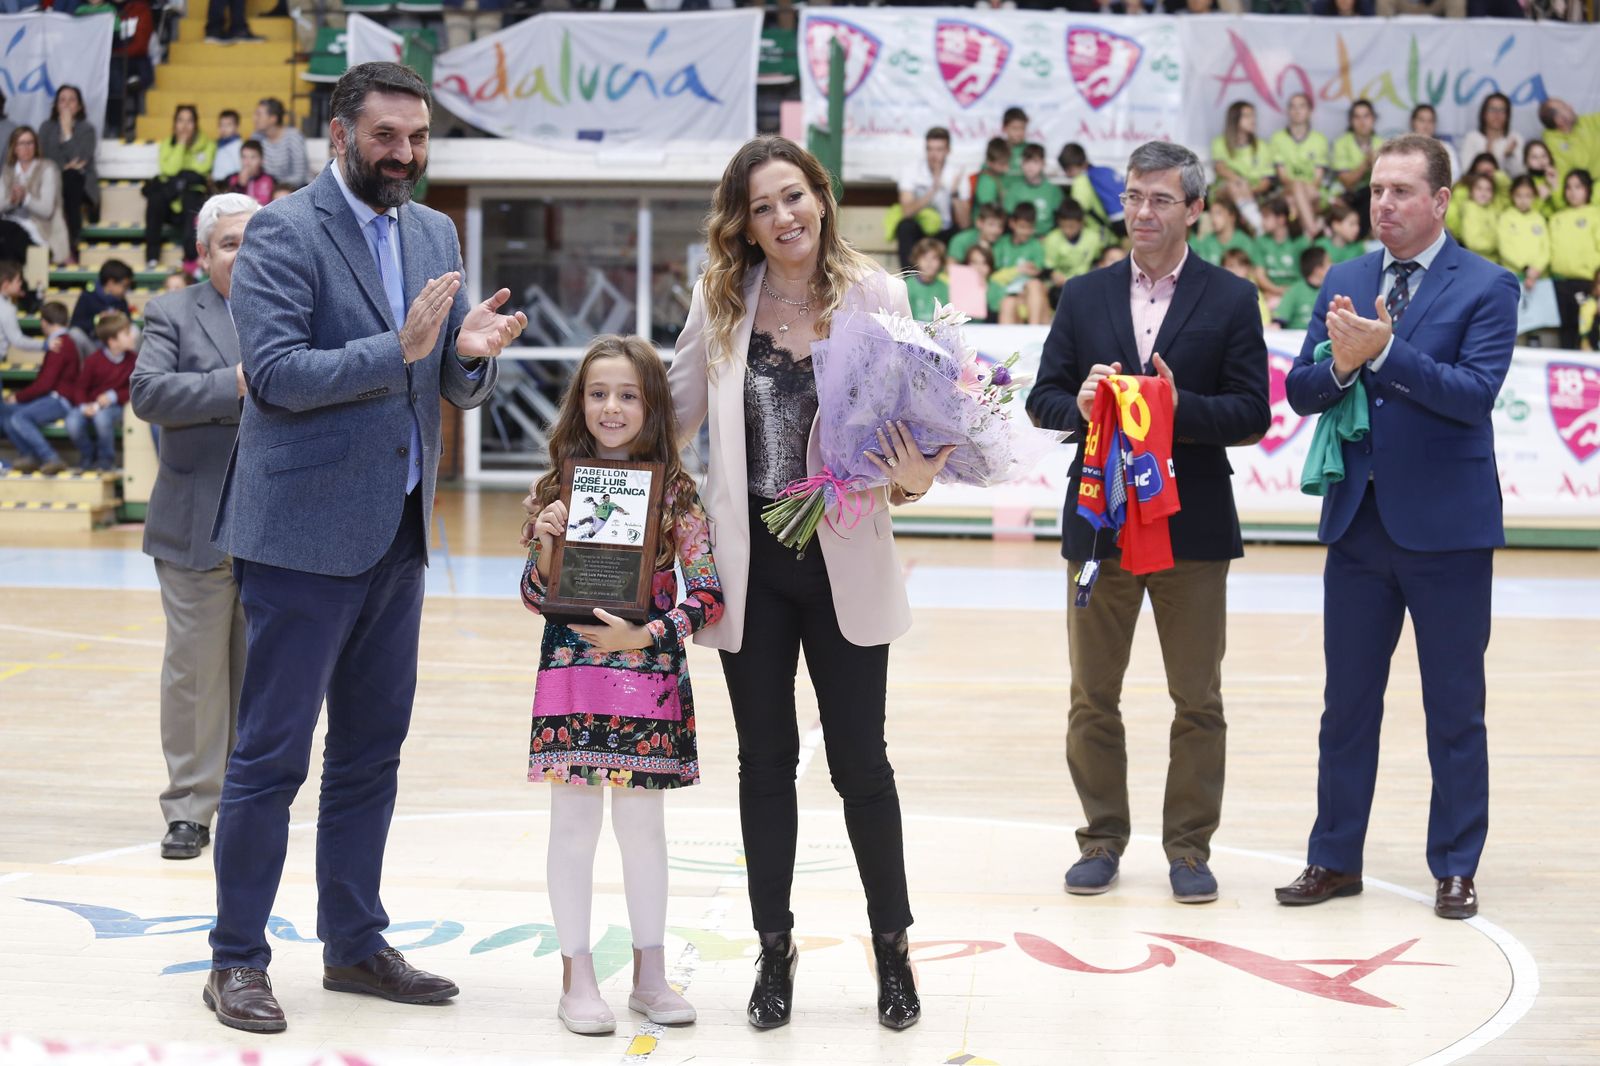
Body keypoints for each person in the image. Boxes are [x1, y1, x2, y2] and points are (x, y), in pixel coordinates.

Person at [203, 61, 525, 1034]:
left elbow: (444, 383)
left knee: (371, 754)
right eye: (388, 137)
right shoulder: (283, 232)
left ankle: (352, 943)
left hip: (398, 531)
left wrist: (466, 358)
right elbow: (277, 373)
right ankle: (235, 959)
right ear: (340, 135)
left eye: (419, 138)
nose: (407, 155)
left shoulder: (434, 230)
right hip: (300, 538)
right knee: (269, 757)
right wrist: (403, 346)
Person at [661, 134, 950, 1032]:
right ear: (742, 226)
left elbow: (919, 445)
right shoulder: (720, 304)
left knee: (864, 766)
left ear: (820, 200)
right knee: (765, 767)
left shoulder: (881, 298)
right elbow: (661, 417)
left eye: (793, 196)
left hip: (847, 562)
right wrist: (583, 492)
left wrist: (916, 475)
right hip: (754, 572)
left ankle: (892, 951)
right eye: (761, 206)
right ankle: (774, 949)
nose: (782, 216)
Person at [1276, 134, 1519, 921]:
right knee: (1345, 705)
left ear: (1441, 201)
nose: (1384, 203)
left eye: (1402, 191)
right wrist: (1345, 366)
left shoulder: (1489, 286)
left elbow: (1472, 393)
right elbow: (1303, 390)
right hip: (1357, 526)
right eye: (1378, 189)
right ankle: (1333, 857)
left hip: (1448, 531)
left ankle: (1455, 864)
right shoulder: (1345, 277)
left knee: (1454, 706)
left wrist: (1383, 355)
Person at [1026, 140, 1270, 905]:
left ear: (1194, 208)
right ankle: (1101, 837)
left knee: (1198, 698)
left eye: (1161, 199)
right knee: (1091, 694)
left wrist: (1173, 408)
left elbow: (1253, 412)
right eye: (1133, 197)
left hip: (1190, 526)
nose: (1142, 212)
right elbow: (1044, 399)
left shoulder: (1230, 299)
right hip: (1099, 522)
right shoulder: (1083, 294)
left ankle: (1189, 848)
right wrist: (1088, 406)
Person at [520, 334, 723, 1036]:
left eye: (629, 394)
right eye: (599, 393)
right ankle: (576, 976)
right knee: (573, 829)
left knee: (644, 834)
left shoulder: (679, 496)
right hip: (573, 682)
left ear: (653, 406)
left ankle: (650, 974)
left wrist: (650, 635)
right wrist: (547, 540)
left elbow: (707, 596)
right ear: (580, 403)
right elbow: (536, 595)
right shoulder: (555, 489)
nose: (612, 407)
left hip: (650, 684)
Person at [130, 192, 259, 863]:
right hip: (194, 527)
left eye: (252, 240)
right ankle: (188, 807)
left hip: (275, 529)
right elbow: (149, 393)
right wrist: (231, 384)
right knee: (195, 674)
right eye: (229, 243)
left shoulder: (296, 308)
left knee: (258, 677)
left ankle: (245, 799)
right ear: (205, 254)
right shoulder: (171, 312)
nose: (242, 253)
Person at [0, 299, 75, 473]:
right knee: (7, 417)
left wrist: (17, 397)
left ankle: (51, 457)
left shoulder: (60, 344)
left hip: (59, 400)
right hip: (50, 398)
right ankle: (29, 456)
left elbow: (44, 384)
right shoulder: (61, 341)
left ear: (43, 323)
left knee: (19, 417)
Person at [142, 105, 215, 275]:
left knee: (192, 198)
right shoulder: (168, 144)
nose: (184, 125)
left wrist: (182, 176)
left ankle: (189, 257)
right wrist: (181, 145)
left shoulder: (208, 145)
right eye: (180, 120)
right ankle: (152, 256)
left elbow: (202, 168)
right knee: (155, 200)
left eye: (189, 121)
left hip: (190, 201)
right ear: (174, 124)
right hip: (171, 202)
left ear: (196, 124)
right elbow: (169, 169)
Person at [69, 310, 139, 471]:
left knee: (102, 419)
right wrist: (83, 406)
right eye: (127, 333)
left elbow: (134, 388)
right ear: (112, 342)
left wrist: (113, 396)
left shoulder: (133, 360)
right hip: (91, 405)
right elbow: (80, 388)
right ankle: (88, 455)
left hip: (117, 406)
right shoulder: (93, 360)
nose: (133, 336)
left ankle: (106, 461)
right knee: (72, 422)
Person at [37, 85, 99, 269]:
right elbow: (45, 157)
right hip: (51, 183)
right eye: (62, 100)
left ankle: (72, 244)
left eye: (71, 100)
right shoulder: (46, 128)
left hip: (80, 186)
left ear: (79, 106)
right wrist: (66, 164)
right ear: (55, 105)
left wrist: (67, 133)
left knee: (71, 177)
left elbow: (80, 159)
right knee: (62, 178)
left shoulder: (87, 129)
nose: (66, 104)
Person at [893, 126, 966, 271]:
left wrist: (954, 194)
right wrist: (933, 190)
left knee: (962, 236)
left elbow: (965, 223)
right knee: (905, 227)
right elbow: (906, 212)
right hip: (921, 229)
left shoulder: (956, 173)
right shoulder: (911, 170)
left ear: (948, 151)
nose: (934, 154)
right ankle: (910, 282)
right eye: (930, 149)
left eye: (939, 149)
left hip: (945, 230)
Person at [0, 126, 69, 265]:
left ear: (36, 145)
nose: (26, 148)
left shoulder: (47, 168)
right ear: (14, 147)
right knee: (7, 234)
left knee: (10, 236)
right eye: (21, 143)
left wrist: (25, 199)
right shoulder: (8, 170)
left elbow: (46, 211)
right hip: (9, 227)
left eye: (30, 143)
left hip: (39, 229)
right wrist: (12, 201)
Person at [1549, 170, 1600, 350]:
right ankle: (1566, 370)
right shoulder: (1556, 218)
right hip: (1560, 282)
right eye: (1569, 187)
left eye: (1578, 187)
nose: (1573, 191)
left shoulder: (1595, 214)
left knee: (1587, 330)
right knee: (1566, 329)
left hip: (1588, 282)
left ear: (1587, 189)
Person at [1271, 93, 1331, 245]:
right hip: (1288, 190)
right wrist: (1299, 189)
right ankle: (1313, 230)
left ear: (1310, 111)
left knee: (1296, 198)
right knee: (1296, 186)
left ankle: (1306, 235)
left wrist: (1301, 194)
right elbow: (1283, 178)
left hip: (1312, 192)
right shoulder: (1278, 138)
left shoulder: (1319, 139)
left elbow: (1317, 180)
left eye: (1302, 106)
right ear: (1288, 111)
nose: (1297, 110)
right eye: (1293, 106)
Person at [1211, 101, 1275, 217]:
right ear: (1235, 119)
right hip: (1225, 190)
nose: (1253, 120)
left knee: (1238, 187)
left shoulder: (1263, 146)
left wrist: (1249, 189)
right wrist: (1240, 181)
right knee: (1233, 185)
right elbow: (1220, 168)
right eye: (1247, 116)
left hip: (1254, 192)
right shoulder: (1220, 142)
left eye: (1253, 116)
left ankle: (1252, 222)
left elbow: (1266, 181)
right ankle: (1256, 223)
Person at [1333, 100, 1383, 236]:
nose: (1362, 121)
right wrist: (1365, 163)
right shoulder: (1341, 143)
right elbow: (1346, 182)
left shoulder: (1382, 144)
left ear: (1373, 119)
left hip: (1372, 196)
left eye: (1366, 116)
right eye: (1357, 117)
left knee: (1377, 194)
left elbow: (1386, 179)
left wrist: (1375, 164)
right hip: (1348, 196)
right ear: (1351, 121)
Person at [1536, 98, 1600, 203]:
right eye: (1565, 107)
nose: (1571, 106)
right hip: (1579, 199)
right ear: (1559, 120)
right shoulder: (1550, 145)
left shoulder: (1589, 121)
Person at [994, 201, 1048, 324]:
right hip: (1006, 296)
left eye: (1030, 228)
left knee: (1034, 284)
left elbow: (1036, 270)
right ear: (1012, 224)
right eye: (1022, 227)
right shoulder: (1001, 244)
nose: (1026, 232)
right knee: (1009, 303)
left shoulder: (1036, 246)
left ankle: (1033, 328)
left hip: (1028, 296)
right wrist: (1020, 269)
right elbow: (995, 273)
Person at [1043, 198, 1103, 306]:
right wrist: (1053, 274)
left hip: (1086, 285)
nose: (1067, 230)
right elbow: (1047, 268)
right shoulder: (1052, 239)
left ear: (1081, 223)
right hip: (1060, 287)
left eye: (1071, 226)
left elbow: (1097, 262)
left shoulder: (1093, 238)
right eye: (1063, 226)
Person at [1497, 176, 1551, 291]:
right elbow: (1505, 248)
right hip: (1513, 276)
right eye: (1519, 195)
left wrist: (1536, 269)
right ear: (1512, 195)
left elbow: (1545, 248)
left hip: (1539, 277)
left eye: (1528, 196)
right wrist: (1526, 268)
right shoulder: (1506, 217)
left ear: (1534, 196)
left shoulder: (1539, 218)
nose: (1523, 200)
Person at [1461, 93, 1523, 179]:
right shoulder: (1472, 138)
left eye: (1502, 110)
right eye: (1492, 109)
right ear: (1483, 113)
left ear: (1508, 115)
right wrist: (1488, 155)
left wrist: (1508, 156)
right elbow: (1466, 171)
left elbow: (1519, 176)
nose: (1497, 114)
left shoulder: (1514, 139)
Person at [69, 260, 133, 341]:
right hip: (93, 343)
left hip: (114, 346)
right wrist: (98, 320)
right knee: (75, 333)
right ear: (110, 283)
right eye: (124, 286)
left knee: (134, 331)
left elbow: (129, 320)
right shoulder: (88, 296)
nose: (126, 290)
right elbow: (76, 324)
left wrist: (120, 318)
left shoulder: (121, 299)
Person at [1004, 143, 1064, 229]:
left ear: (1043, 164)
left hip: (1046, 238)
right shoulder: (1014, 189)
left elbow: (1060, 220)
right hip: (1022, 238)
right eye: (1026, 161)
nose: (1030, 166)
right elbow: (1009, 219)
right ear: (1021, 164)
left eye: (1035, 162)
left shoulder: (1053, 190)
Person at [253, 97, 308, 190]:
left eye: (259, 115)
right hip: (266, 191)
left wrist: (275, 188)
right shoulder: (256, 137)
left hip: (293, 192)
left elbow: (300, 175)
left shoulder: (293, 137)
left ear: (273, 118)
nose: (254, 118)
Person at [1189, 194, 1256, 267]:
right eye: (1211, 214)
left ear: (1232, 217)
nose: (1213, 218)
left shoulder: (1245, 242)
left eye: (1218, 213)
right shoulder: (1206, 242)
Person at [1274, 245, 1327, 330]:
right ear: (1318, 269)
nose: (1333, 265)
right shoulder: (1295, 290)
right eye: (1329, 262)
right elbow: (1279, 321)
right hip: (1296, 339)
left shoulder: (1330, 290)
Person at [1452, 172, 1501, 261]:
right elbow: (1473, 242)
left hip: (1494, 261)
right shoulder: (1470, 208)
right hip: (1475, 261)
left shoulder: (1493, 209)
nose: (1484, 192)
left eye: (1488, 189)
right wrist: (1496, 245)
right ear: (1471, 191)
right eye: (1479, 188)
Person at [1409, 104, 1460, 185]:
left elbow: (1455, 175)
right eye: (1422, 120)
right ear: (1413, 122)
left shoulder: (1445, 148)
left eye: (1430, 121)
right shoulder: (1403, 148)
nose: (1426, 126)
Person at [947, 201, 1005, 266]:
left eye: (1000, 226)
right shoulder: (960, 240)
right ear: (979, 223)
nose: (996, 230)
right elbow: (951, 267)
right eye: (991, 224)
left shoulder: (1002, 243)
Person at [904, 236, 949, 321]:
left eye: (934, 258)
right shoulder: (907, 285)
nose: (929, 262)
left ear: (941, 261)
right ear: (916, 259)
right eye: (924, 257)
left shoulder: (944, 288)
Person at [225, 140, 275, 207]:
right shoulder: (232, 179)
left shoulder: (270, 180)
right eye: (244, 157)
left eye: (253, 157)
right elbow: (228, 204)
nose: (248, 162)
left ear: (261, 160)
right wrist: (240, 186)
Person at [1316, 201, 1367, 265]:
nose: (1357, 229)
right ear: (1336, 225)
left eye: (1358, 224)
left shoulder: (1358, 248)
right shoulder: (1320, 246)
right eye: (1352, 224)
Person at [972, 137, 1011, 211]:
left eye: (1008, 162)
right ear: (989, 162)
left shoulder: (999, 174)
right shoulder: (986, 181)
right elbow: (988, 211)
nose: (1007, 168)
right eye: (1002, 164)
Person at [211, 110, 242, 183]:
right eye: (221, 125)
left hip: (230, 186)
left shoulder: (239, 146)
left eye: (228, 125)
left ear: (237, 126)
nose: (224, 128)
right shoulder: (217, 145)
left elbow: (239, 169)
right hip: (217, 185)